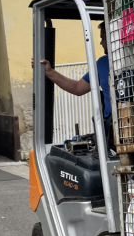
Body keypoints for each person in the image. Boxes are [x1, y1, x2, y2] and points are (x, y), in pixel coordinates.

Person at [37, 22, 115, 153]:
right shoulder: (102, 63)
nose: (101, 43)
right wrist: (49, 72)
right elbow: (78, 88)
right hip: (113, 130)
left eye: (103, 38)